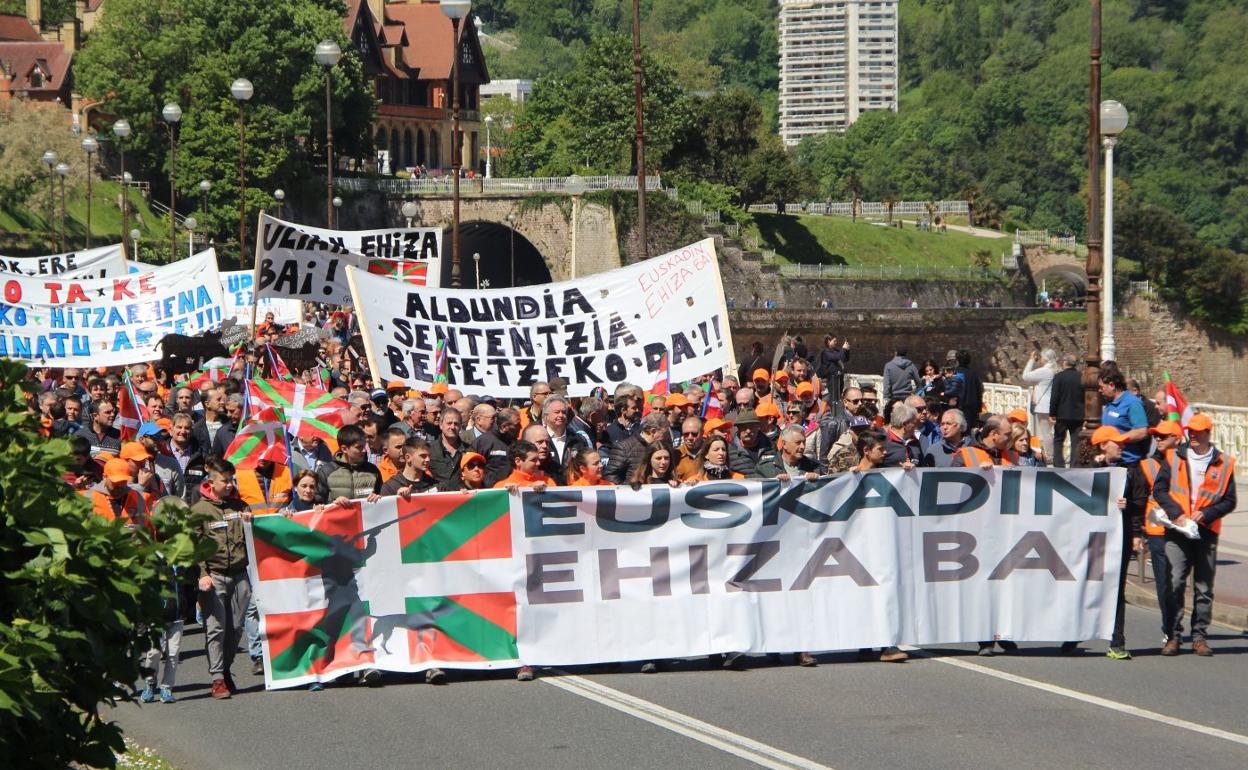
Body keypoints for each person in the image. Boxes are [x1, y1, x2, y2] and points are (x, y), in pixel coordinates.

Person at [1152, 412, 1237, 656]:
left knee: (1204, 587)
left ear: (1209, 434)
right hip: (1178, 530)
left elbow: (1230, 501)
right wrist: (1176, 513)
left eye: (1199, 432)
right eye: (1191, 432)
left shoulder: (1224, 463)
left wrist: (1207, 514)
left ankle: (1199, 637)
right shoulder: (1175, 456)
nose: (1194, 436)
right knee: (1175, 582)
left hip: (1206, 532)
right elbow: (1159, 490)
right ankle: (1173, 636)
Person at [192, 457, 252, 700]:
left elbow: (261, 535)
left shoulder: (241, 507)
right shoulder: (200, 510)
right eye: (224, 481)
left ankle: (226, 669)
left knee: (236, 628)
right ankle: (217, 678)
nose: (229, 485)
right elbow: (194, 546)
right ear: (211, 481)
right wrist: (203, 575)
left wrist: (252, 523)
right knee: (216, 629)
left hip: (240, 575)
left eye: (231, 480)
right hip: (214, 576)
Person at [852, 430, 908, 663]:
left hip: (880, 542)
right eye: (880, 449)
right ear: (866, 451)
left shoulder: (889, 474)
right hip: (856, 543)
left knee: (883, 589)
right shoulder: (849, 473)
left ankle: (887, 645)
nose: (885, 453)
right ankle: (867, 641)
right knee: (863, 593)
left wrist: (909, 476)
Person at [1137, 420, 1184, 642]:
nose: (1158, 439)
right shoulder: (1147, 465)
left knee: (1178, 582)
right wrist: (1138, 531)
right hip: (1157, 533)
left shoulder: (1187, 465)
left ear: (1177, 438)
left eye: (1163, 436)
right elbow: (1138, 500)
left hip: (1182, 530)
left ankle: (1176, 625)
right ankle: (1170, 628)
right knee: (1164, 583)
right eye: (1156, 436)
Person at [316, 424, 383, 505]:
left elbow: (384, 498)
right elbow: (318, 504)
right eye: (359, 447)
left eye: (364, 446)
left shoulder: (373, 470)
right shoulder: (326, 471)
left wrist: (378, 497)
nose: (364, 450)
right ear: (344, 449)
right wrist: (334, 503)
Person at [1099, 370, 1150, 466]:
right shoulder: (1110, 403)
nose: (1100, 390)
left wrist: (1117, 440)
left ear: (1111, 385)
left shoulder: (1133, 403)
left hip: (1128, 464)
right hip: (1110, 463)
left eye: (1102, 387)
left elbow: (1141, 431)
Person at [604, 411, 671, 484]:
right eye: (665, 434)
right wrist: (628, 489)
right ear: (653, 431)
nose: (667, 437)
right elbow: (610, 475)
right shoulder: (625, 448)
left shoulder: (663, 447)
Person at [1048, 354, 1084, 467]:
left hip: (1062, 414)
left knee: (1058, 440)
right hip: (1078, 414)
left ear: (1065, 362)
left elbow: (1055, 397)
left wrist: (1052, 412)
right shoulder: (1081, 376)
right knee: (1075, 442)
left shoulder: (1059, 377)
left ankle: (1058, 464)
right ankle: (1074, 464)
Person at [1022, 349, 1057, 460]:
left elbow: (1025, 376)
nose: (1040, 360)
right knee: (1050, 432)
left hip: (1043, 406)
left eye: (1041, 358)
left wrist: (1031, 360)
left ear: (1045, 359)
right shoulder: (1055, 369)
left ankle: (1049, 455)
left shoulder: (1044, 371)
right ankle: (1050, 453)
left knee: (1045, 433)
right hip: (1052, 405)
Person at [477, 407, 521, 488]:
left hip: (515, 493)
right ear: (504, 427)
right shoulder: (484, 442)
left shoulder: (517, 443)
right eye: (517, 425)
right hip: (492, 494)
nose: (521, 427)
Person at [428, 407, 468, 489]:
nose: (452, 427)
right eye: (449, 423)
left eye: (456, 424)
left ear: (460, 426)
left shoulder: (469, 450)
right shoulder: (429, 449)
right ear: (441, 425)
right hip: (437, 498)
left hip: (462, 498)